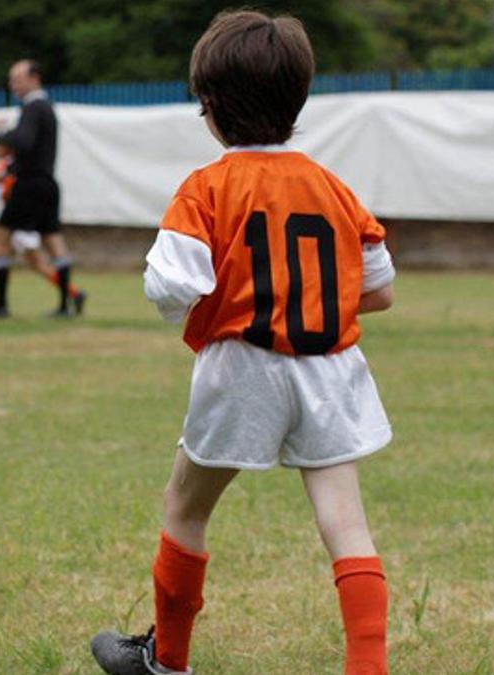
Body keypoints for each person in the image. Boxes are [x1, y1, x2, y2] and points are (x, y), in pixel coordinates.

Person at [90, 10, 396, 675]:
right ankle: (367, 668)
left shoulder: (205, 188)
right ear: (299, 98)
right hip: (330, 369)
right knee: (345, 523)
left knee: (186, 506)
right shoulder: (333, 187)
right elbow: (380, 286)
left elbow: (170, 285)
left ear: (208, 105)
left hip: (243, 368)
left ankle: (166, 661)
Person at [0, 59, 86, 319]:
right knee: (54, 243)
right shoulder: (47, 108)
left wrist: (1, 136)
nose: (12, 85)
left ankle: (1, 305)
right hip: (47, 184)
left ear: (35, 78)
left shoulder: (34, 107)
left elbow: (23, 142)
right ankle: (65, 304)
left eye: (17, 79)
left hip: (29, 186)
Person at [0, 138, 85, 306]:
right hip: (21, 219)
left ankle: (73, 294)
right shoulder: (14, 164)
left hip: (21, 220)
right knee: (36, 263)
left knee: (32, 260)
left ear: (5, 148)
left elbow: (1, 191)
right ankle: (73, 294)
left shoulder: (11, 167)